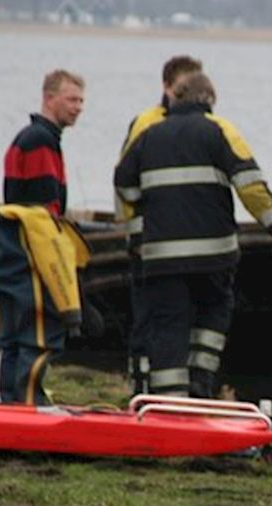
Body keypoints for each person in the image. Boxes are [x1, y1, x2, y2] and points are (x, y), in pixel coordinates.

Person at [113, 72, 272, 398]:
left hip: (162, 258)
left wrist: (139, 234)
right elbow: (249, 184)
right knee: (211, 317)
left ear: (174, 99)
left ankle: (170, 401)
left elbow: (124, 186)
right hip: (214, 256)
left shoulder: (148, 135)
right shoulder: (220, 131)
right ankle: (200, 387)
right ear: (209, 101)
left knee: (168, 325)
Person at [117, 55, 203, 396]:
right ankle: (140, 384)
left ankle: (182, 392)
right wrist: (137, 233)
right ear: (167, 87)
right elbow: (124, 184)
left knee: (182, 319)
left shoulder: (200, 125)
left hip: (184, 243)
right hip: (149, 241)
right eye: (184, 88)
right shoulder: (146, 124)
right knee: (147, 317)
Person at [0, 204, 91, 405]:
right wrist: (72, 313)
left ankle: (10, 402)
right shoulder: (40, 225)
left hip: (14, 304)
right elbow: (57, 266)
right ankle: (30, 401)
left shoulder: (2, 234)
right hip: (40, 303)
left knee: (11, 348)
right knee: (36, 347)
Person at [3, 69, 85, 216]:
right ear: (49, 99)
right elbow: (45, 209)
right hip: (34, 234)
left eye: (81, 101)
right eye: (72, 100)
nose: (79, 108)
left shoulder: (31, 135)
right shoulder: (40, 141)